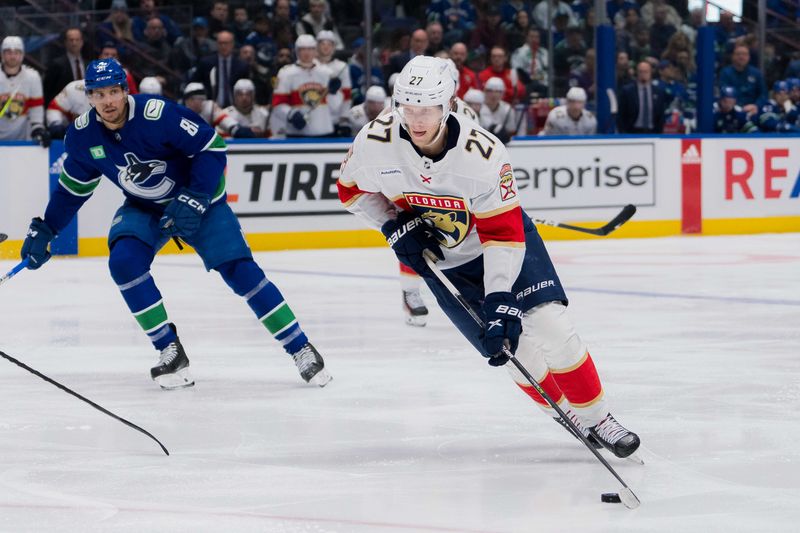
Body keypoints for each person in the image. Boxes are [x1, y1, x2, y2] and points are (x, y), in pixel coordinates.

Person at [337, 55, 640, 459]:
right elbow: (351, 190)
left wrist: (499, 297)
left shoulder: (481, 155)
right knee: (512, 352)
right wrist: (393, 225)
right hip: (444, 262)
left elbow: (502, 233)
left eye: (426, 108)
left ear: (447, 105)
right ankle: (569, 415)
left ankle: (600, 418)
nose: (416, 119)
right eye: (408, 108)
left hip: (501, 243)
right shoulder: (375, 143)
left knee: (551, 326)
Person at [20, 58, 331, 390]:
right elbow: (72, 190)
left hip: (202, 202)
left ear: (126, 91)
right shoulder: (82, 137)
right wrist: (48, 227)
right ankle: (170, 350)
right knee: (124, 262)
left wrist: (195, 198)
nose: (108, 101)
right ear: (89, 97)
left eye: (114, 92)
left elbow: (212, 148)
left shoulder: (159, 115)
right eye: (99, 94)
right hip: (146, 207)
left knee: (242, 274)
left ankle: (300, 348)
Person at [269, 34, 335, 138]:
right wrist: (291, 114)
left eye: (310, 49)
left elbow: (335, 105)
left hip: (323, 130)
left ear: (315, 51)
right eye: (302, 49)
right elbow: (277, 104)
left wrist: (334, 93)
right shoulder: (286, 73)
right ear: (296, 51)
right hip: (297, 133)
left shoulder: (327, 73)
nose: (307, 53)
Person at [0, 36, 49, 147]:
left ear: (22, 55)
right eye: (8, 52)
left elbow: (36, 111)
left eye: (16, 52)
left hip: (24, 141)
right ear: (2, 54)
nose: (12, 56)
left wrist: (38, 129)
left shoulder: (33, 76)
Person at [191, 30, 250, 109]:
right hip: (211, 107)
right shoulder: (206, 63)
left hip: (236, 108)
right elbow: (193, 83)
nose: (223, 46)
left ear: (232, 44)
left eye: (226, 43)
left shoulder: (242, 65)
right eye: (220, 43)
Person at [182, 81, 253, 138]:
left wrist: (237, 130)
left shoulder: (210, 107)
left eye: (201, 99)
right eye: (193, 99)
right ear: (187, 101)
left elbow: (228, 123)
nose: (200, 102)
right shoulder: (179, 113)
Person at [316, 30, 352, 136]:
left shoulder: (341, 67)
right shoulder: (311, 65)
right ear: (317, 46)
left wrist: (344, 118)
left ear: (334, 47)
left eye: (329, 44)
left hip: (334, 118)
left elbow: (347, 95)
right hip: (315, 116)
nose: (326, 47)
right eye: (322, 44)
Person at [617, 61, 666, 133]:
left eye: (646, 72)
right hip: (632, 132)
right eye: (641, 72)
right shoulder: (627, 91)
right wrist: (623, 132)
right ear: (637, 73)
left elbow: (661, 115)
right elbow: (621, 114)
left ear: (650, 73)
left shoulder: (658, 92)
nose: (643, 74)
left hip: (653, 132)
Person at [43, 27, 88, 105]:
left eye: (77, 40)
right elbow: (48, 91)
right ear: (65, 42)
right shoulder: (56, 65)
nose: (74, 43)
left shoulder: (88, 64)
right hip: (63, 109)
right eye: (71, 40)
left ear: (82, 42)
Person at [718, 45, 767, 114]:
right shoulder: (725, 73)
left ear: (749, 57)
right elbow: (724, 94)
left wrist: (756, 105)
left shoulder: (756, 73)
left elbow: (763, 94)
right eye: (738, 54)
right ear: (733, 56)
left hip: (753, 110)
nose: (741, 57)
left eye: (744, 54)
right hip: (732, 111)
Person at [479, 77, 517, 143]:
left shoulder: (507, 109)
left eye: (498, 91)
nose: (494, 95)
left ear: (503, 94)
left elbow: (511, 131)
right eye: (490, 91)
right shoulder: (478, 108)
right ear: (484, 91)